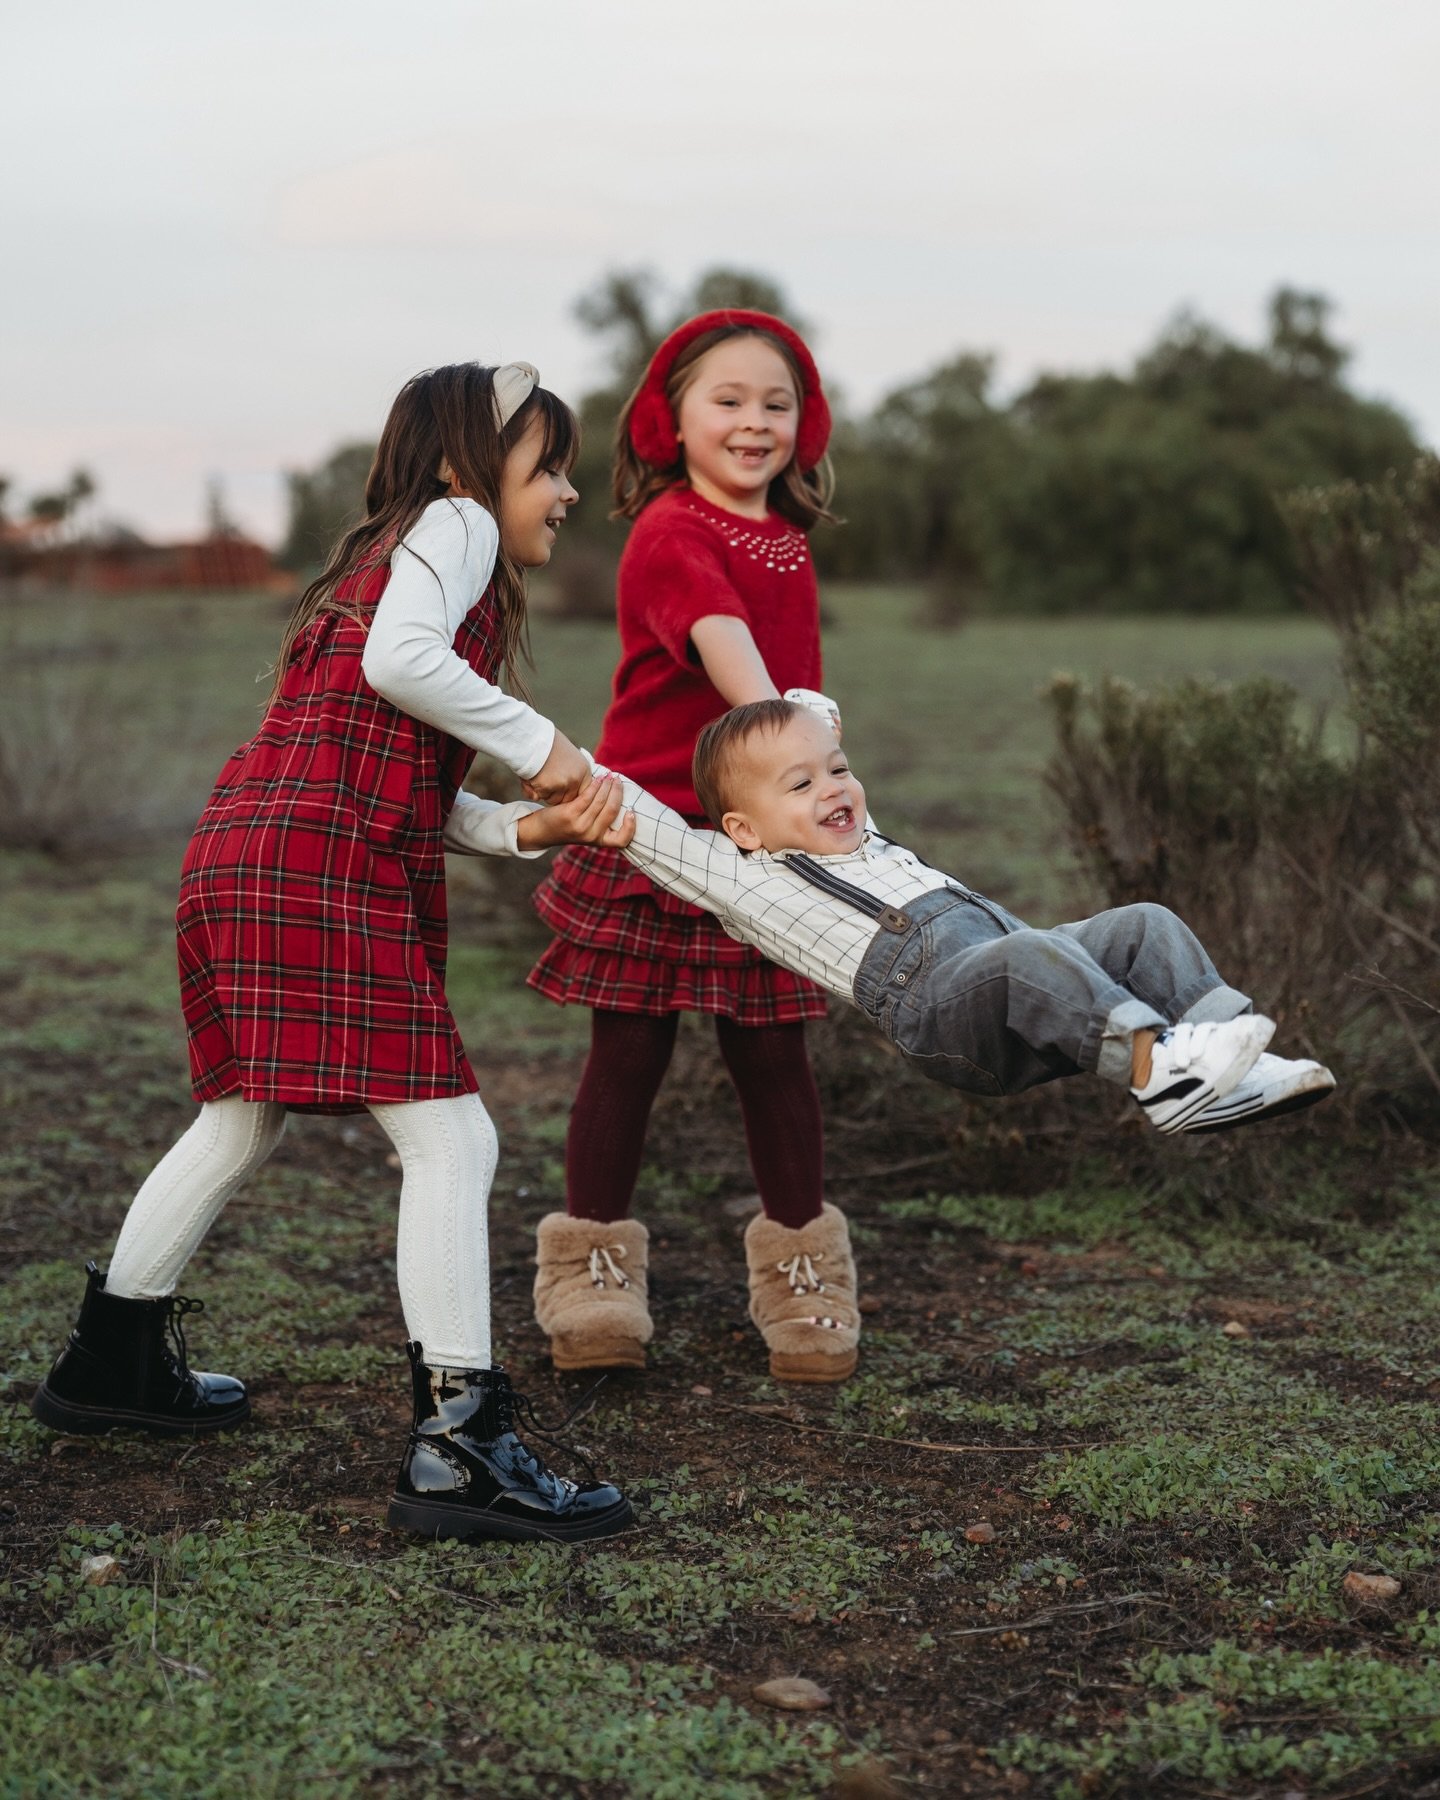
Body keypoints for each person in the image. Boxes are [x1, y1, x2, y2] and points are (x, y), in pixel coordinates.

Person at [30, 362, 635, 1544]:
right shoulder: (455, 525)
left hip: (245, 847)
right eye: (550, 465)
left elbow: (383, 766)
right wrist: (545, 747)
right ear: (471, 461)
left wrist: (523, 825)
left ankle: (111, 1363)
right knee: (453, 1135)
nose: (567, 491)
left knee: (237, 1119)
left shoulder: (391, 556)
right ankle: (460, 1447)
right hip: (313, 864)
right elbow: (400, 669)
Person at [576, 692, 1337, 1381]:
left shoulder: (861, 834)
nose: (833, 789)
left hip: (1034, 984)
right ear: (742, 827)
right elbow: (639, 821)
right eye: (800, 785)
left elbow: (815, 712)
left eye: (837, 771)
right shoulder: (740, 873)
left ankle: (1233, 1066)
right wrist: (522, 781)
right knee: (1026, 953)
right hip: (945, 1012)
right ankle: (1156, 1067)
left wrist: (802, 726)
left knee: (1144, 925)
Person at [527, 309, 846, 1382]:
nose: (754, 422)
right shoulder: (673, 529)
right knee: (629, 1052)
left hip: (762, 837)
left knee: (774, 1057)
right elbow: (730, 652)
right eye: (729, 400)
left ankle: (805, 1275)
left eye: (777, 403)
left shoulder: (787, 539)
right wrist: (801, 753)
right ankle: (592, 1272)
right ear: (673, 418)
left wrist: (803, 800)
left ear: (807, 425)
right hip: (656, 834)